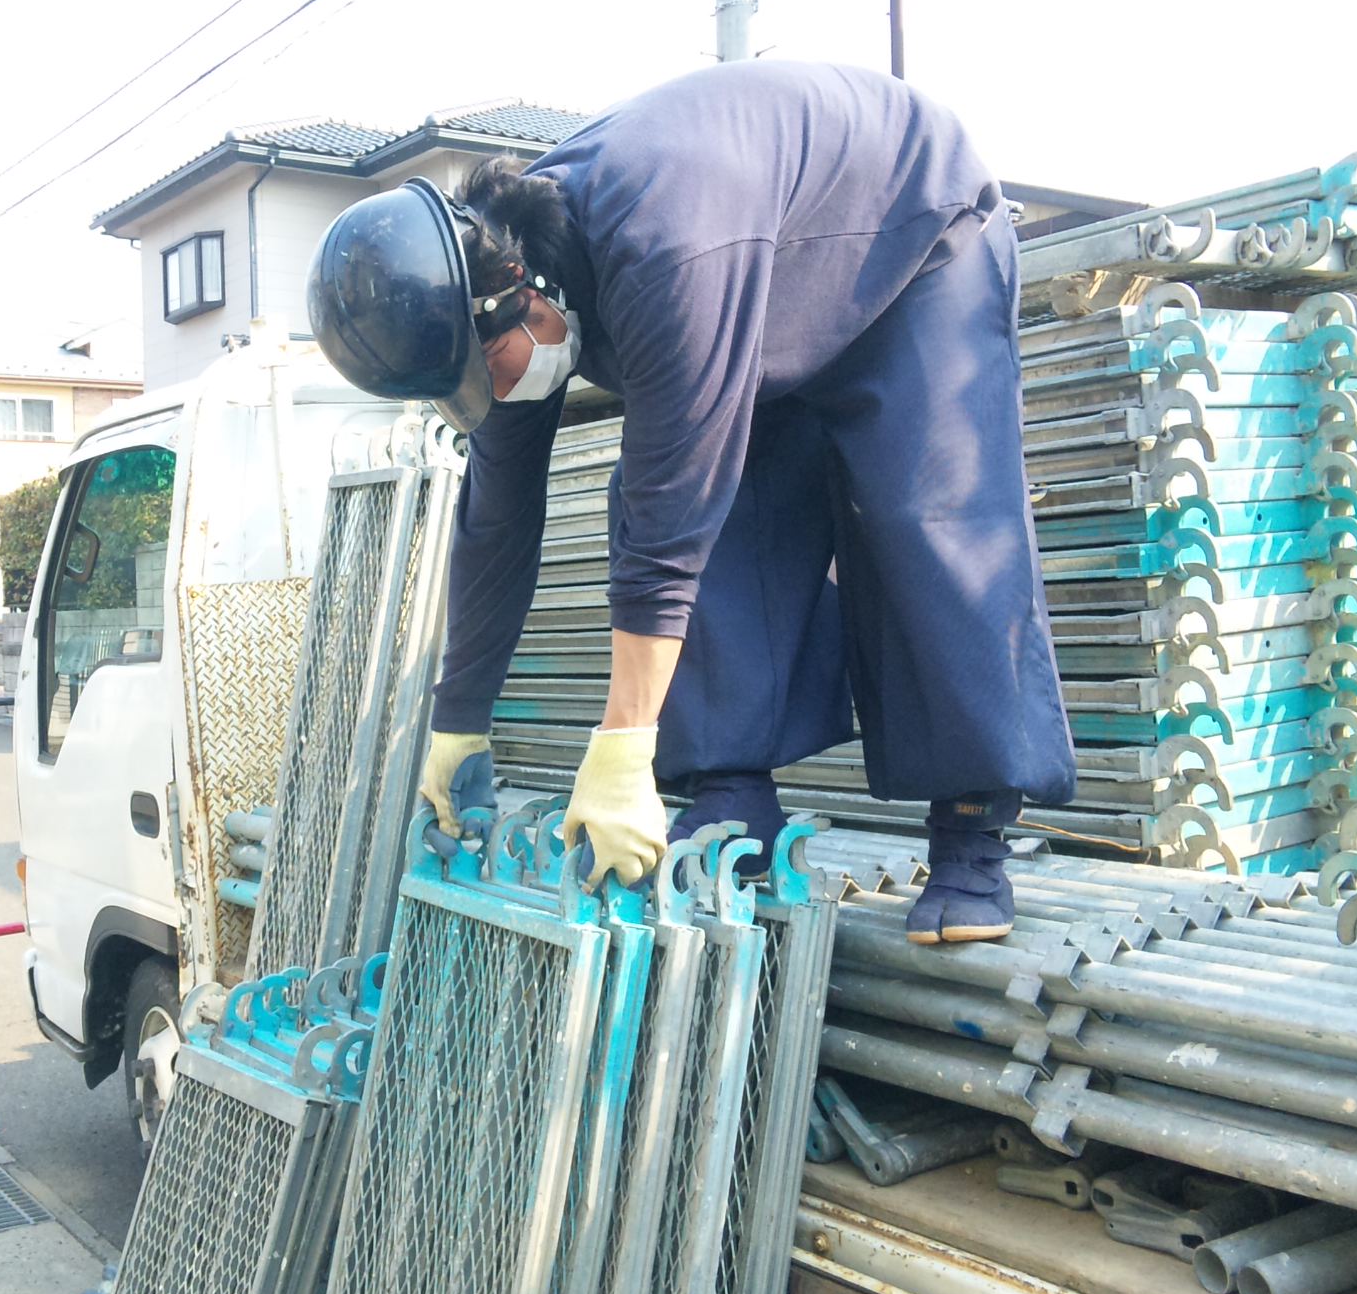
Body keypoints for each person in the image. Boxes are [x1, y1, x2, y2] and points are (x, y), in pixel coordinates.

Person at [306, 60, 1074, 943]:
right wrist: (458, 719)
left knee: (924, 511)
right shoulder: (511, 304)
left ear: (521, 296)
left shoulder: (662, 242)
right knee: (717, 509)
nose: (494, 391)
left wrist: (624, 743)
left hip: (910, 231)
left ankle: (971, 833)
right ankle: (734, 804)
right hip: (768, 261)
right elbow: (496, 516)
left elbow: (672, 523)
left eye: (491, 369)